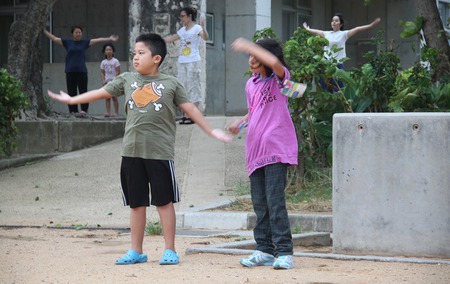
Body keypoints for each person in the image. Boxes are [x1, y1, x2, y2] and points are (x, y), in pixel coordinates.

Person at [47, 33, 232, 266]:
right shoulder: (126, 79)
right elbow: (100, 93)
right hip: (131, 151)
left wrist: (211, 130)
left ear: (156, 58)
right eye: (134, 53)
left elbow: (192, 111)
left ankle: (170, 250)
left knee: (164, 202)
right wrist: (73, 100)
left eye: (141, 53)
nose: (135, 57)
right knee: (136, 203)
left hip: (160, 153)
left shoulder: (171, 84)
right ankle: (136, 251)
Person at [227, 37, 298, 270]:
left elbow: (276, 65)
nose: (252, 60)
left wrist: (250, 45)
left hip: (277, 150)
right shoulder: (251, 84)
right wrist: (241, 122)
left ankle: (284, 251)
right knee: (260, 204)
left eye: (257, 56)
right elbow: (253, 110)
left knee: (275, 201)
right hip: (255, 152)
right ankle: (264, 249)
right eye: (250, 56)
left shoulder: (280, 79)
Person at [43, 26, 119, 116]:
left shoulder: (84, 43)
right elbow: (55, 39)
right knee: (72, 92)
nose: (78, 34)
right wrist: (44, 31)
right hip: (70, 71)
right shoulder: (68, 42)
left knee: (83, 91)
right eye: (76, 32)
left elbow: (97, 40)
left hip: (82, 71)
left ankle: (84, 111)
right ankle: (73, 111)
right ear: (72, 34)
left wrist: (109, 38)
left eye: (80, 32)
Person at [303, 14, 381, 92]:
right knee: (325, 87)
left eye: (336, 21)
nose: (334, 22)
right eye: (333, 20)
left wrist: (371, 25)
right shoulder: (326, 33)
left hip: (338, 65)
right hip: (326, 65)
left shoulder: (344, 34)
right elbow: (315, 31)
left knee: (339, 89)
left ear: (341, 24)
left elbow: (357, 29)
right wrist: (307, 29)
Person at [164, 6, 209, 125]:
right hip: (182, 61)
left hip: (193, 61)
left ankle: (193, 115)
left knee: (193, 87)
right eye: (180, 16)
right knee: (183, 88)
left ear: (190, 16)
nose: (181, 18)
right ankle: (186, 115)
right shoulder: (183, 30)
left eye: (183, 16)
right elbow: (173, 37)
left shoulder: (197, 28)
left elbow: (205, 37)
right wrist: (158, 39)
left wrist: (204, 27)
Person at [100, 42, 120, 118]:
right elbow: (102, 72)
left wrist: (116, 79)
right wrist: (103, 80)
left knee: (114, 97)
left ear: (113, 51)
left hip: (114, 82)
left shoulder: (115, 61)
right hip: (107, 82)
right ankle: (108, 112)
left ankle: (116, 113)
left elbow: (118, 71)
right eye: (107, 50)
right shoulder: (103, 62)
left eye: (110, 49)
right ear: (104, 52)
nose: (108, 51)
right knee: (107, 97)